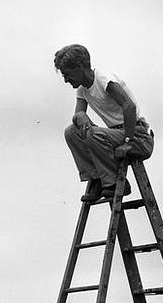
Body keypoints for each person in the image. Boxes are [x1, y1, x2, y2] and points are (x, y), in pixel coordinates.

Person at [54, 44, 154, 203]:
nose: (66, 80)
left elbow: (129, 107)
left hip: (137, 135)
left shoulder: (103, 79)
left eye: (67, 74)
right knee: (71, 132)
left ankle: (114, 182)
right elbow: (77, 117)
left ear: (79, 67)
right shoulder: (82, 89)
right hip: (116, 134)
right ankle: (97, 179)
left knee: (92, 134)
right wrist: (80, 117)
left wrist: (129, 141)